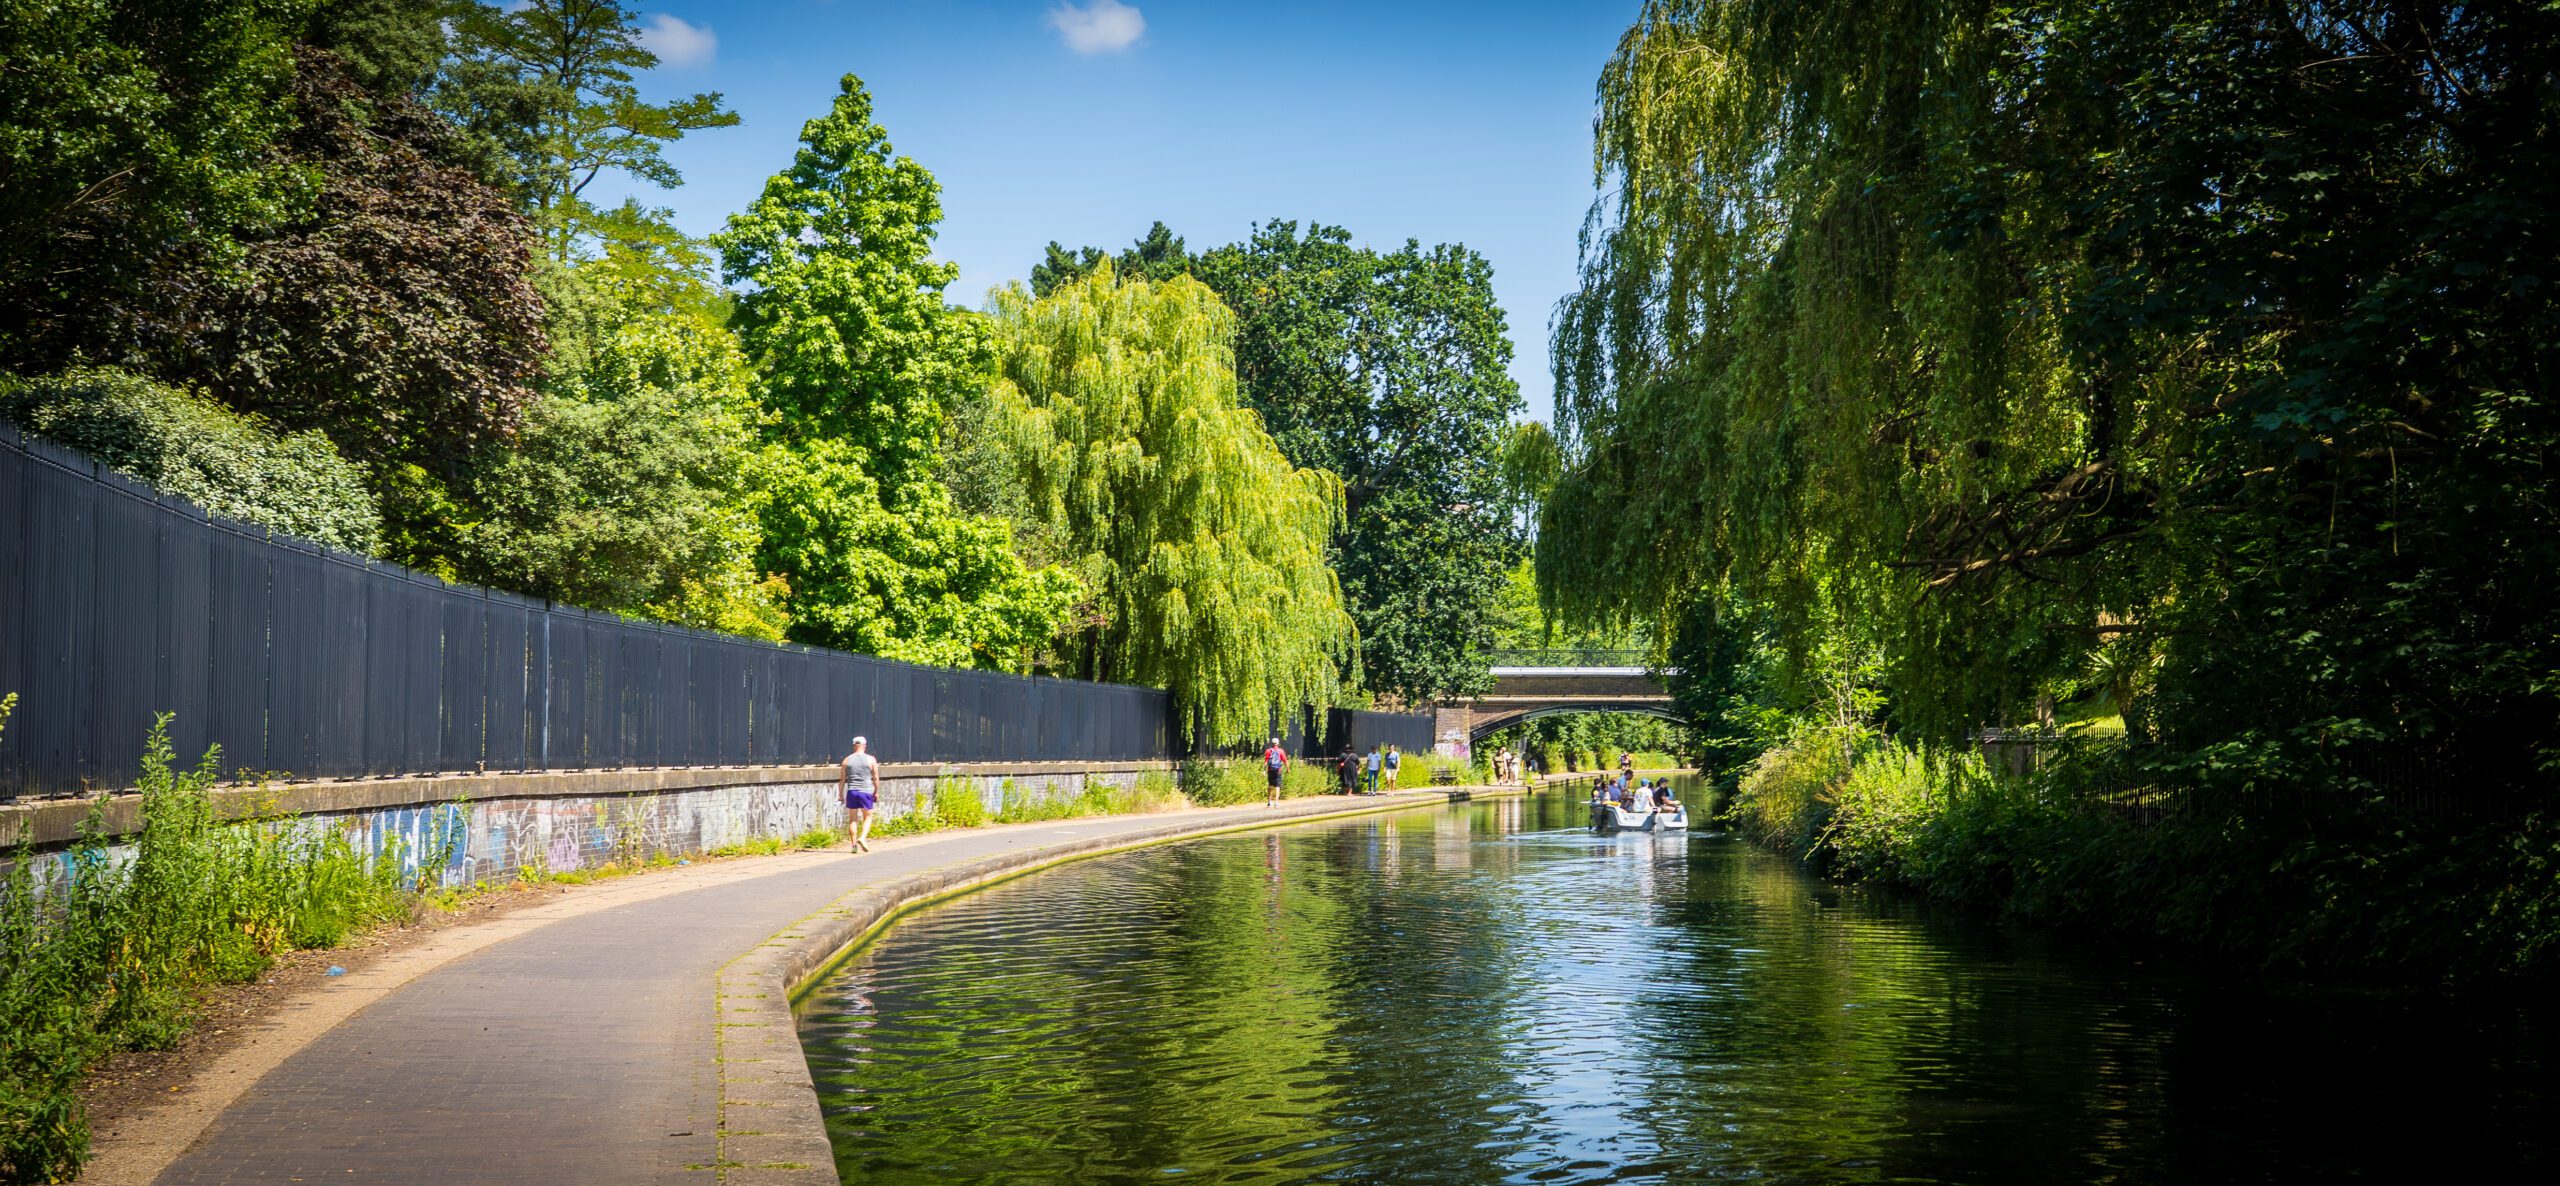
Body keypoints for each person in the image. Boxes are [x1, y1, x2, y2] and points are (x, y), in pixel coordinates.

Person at [837, 735, 880, 853]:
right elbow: (876, 778)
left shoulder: (846, 760)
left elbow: (842, 780)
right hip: (865, 791)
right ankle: (862, 838)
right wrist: (876, 791)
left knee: (853, 819)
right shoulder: (871, 759)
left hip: (852, 791)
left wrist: (840, 795)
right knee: (868, 816)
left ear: (853, 746)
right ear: (864, 746)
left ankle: (853, 846)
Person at [1262, 736, 1289, 806]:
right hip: (1278, 770)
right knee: (1277, 786)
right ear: (1278, 743)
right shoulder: (1281, 751)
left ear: (1272, 743)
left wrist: (1264, 770)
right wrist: (1288, 769)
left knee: (1270, 785)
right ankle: (1276, 802)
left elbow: (1266, 761)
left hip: (1270, 770)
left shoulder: (1268, 751)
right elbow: (1285, 761)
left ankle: (1269, 802)